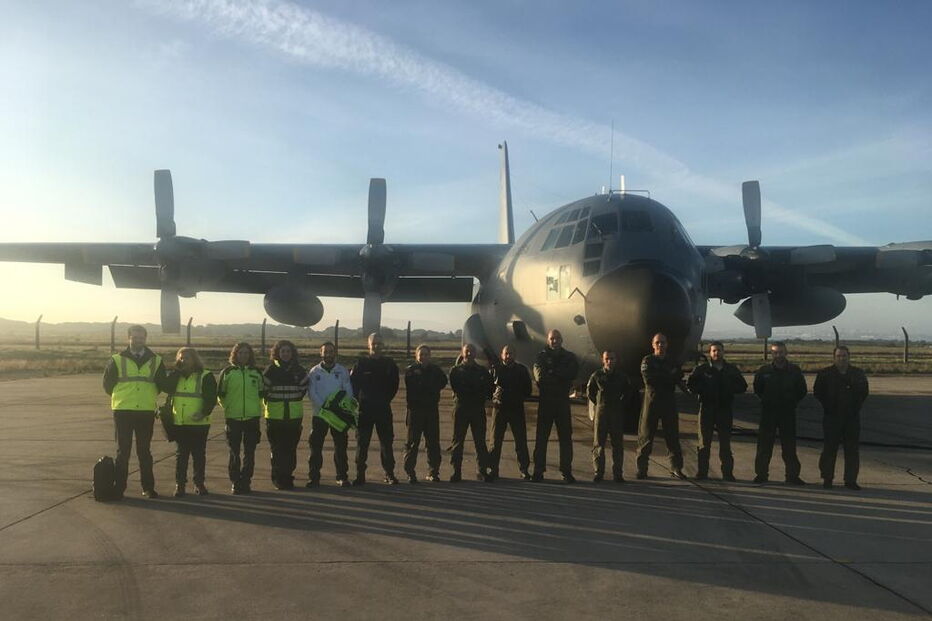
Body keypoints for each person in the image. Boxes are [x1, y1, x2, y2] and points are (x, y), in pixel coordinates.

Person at [103, 324, 169, 499]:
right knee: (122, 451)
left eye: (141, 338)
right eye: (135, 337)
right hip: (123, 410)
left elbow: (162, 383)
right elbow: (107, 385)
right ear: (128, 338)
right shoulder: (116, 359)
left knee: (144, 451)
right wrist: (124, 397)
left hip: (145, 411)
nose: (138, 340)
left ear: (145, 339)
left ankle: (148, 487)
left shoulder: (156, 360)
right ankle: (119, 488)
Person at [687, 341, 748, 481]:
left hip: (724, 409)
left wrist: (729, 389)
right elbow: (690, 385)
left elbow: (742, 386)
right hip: (707, 409)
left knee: (725, 443)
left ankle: (728, 473)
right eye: (714, 351)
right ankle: (702, 472)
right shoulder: (701, 369)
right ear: (710, 353)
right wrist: (702, 390)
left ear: (723, 352)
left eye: (719, 350)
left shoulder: (731, 369)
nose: (716, 353)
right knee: (704, 443)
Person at [814, 346, 869, 490]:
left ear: (848, 357)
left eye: (844, 356)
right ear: (834, 357)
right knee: (829, 449)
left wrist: (855, 407)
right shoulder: (825, 374)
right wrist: (828, 406)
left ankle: (850, 480)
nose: (841, 358)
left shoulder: (858, 374)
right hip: (832, 417)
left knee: (852, 450)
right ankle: (827, 478)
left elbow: (864, 392)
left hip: (851, 417)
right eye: (838, 356)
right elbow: (818, 392)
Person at [753, 341, 808, 485]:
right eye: (776, 352)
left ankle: (792, 476)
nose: (779, 355)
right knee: (764, 446)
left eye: (781, 352)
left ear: (786, 353)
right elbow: (758, 389)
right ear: (772, 354)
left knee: (789, 446)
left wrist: (792, 402)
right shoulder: (764, 371)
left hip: (787, 413)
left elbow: (802, 390)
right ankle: (761, 475)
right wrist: (766, 400)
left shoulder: (794, 371)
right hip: (768, 413)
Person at [166, 347, 217, 497]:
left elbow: (211, 398)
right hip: (180, 422)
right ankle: (180, 484)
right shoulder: (177, 376)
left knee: (198, 455)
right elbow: (167, 388)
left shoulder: (205, 376)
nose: (183, 360)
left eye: (187, 358)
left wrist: (203, 413)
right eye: (181, 358)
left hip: (199, 423)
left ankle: (199, 483)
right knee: (181, 455)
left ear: (194, 359)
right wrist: (176, 372)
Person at [635, 333, 686, 480]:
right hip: (652, 402)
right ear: (653, 344)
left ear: (667, 344)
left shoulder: (672, 361)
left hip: (669, 403)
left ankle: (676, 468)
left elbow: (678, 377)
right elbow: (649, 379)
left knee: (673, 437)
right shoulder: (647, 360)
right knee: (645, 436)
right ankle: (642, 469)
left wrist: (665, 376)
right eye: (657, 343)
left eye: (663, 342)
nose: (660, 345)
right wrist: (669, 375)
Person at [351, 333, 400, 485]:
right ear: (369, 345)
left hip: (383, 409)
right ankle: (360, 474)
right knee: (362, 443)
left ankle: (389, 473)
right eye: (374, 343)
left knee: (386, 443)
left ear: (383, 345)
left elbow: (394, 385)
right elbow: (353, 385)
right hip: (365, 410)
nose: (377, 346)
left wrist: (384, 400)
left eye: (380, 343)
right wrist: (361, 400)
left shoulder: (389, 364)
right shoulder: (361, 363)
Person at [532, 329, 579, 483]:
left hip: (562, 403)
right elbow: (540, 377)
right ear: (548, 340)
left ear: (561, 340)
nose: (554, 341)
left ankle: (566, 471)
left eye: (557, 338)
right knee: (541, 438)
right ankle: (538, 470)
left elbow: (572, 372)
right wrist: (560, 376)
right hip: (546, 402)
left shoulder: (569, 357)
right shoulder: (541, 357)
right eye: (552, 338)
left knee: (565, 438)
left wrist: (552, 372)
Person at [218, 342, 264, 494]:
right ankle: (236, 481)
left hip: (252, 418)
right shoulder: (228, 372)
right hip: (233, 418)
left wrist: (257, 409)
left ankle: (246, 480)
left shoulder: (256, 372)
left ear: (250, 355)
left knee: (250, 453)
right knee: (234, 452)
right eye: (240, 353)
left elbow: (262, 393)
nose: (243, 356)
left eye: (246, 353)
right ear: (235, 354)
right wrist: (229, 408)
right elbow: (221, 395)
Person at [306, 341, 353, 488]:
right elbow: (311, 392)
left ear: (335, 353)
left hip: (338, 415)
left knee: (340, 447)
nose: (328, 354)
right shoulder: (314, 371)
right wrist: (325, 408)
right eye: (325, 352)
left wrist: (338, 408)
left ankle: (342, 476)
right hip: (320, 414)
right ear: (321, 353)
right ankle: (314, 477)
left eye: (331, 351)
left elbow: (348, 391)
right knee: (315, 447)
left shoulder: (342, 370)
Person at [263, 340, 308, 490]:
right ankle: (277, 478)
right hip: (275, 417)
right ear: (277, 353)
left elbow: (303, 389)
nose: (286, 354)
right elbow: (264, 390)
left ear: (292, 353)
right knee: (277, 450)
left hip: (294, 417)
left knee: (290, 449)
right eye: (283, 351)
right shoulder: (270, 370)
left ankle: (288, 476)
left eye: (288, 351)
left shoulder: (299, 370)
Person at [402, 345, 448, 483]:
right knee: (412, 443)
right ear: (416, 356)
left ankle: (433, 472)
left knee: (433, 443)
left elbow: (443, 382)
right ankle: (410, 472)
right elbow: (413, 386)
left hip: (431, 410)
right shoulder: (411, 371)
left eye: (426, 354)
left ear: (430, 355)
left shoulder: (436, 371)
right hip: (415, 411)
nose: (423, 357)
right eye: (421, 354)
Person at [448, 343, 493, 482]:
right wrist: (475, 393)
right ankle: (456, 471)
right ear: (462, 353)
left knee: (480, 442)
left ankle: (482, 471)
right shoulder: (455, 371)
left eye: (472, 351)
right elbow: (456, 388)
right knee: (457, 441)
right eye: (467, 351)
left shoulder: (482, 371)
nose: (469, 354)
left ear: (475, 354)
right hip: (461, 408)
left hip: (477, 409)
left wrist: (482, 398)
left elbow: (489, 388)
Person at [587, 350, 633, 483]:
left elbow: (628, 391)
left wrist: (621, 403)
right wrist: (599, 404)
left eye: (612, 359)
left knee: (617, 445)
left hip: (616, 413)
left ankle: (618, 474)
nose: (609, 361)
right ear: (603, 360)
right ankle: (598, 472)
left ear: (616, 360)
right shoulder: (596, 375)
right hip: (601, 413)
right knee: (598, 444)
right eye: (607, 359)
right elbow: (590, 392)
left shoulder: (621, 376)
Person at [489, 345, 533, 481]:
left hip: (516, 409)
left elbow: (528, 390)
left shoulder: (521, 370)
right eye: (506, 353)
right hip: (499, 409)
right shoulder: (495, 370)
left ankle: (524, 469)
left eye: (511, 353)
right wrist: (495, 396)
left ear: (515, 355)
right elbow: (487, 388)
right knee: (495, 441)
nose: (509, 356)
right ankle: (493, 469)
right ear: (502, 355)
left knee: (520, 441)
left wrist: (517, 396)